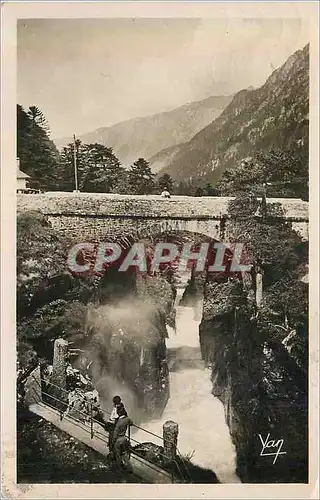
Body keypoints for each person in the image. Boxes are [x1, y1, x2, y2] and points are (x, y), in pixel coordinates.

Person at [112, 405, 133, 472]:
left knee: (118, 455)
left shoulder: (119, 422)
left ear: (119, 413)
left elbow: (115, 433)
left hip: (118, 440)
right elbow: (131, 423)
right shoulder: (127, 419)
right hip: (124, 439)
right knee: (124, 454)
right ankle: (130, 468)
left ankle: (120, 469)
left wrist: (113, 441)